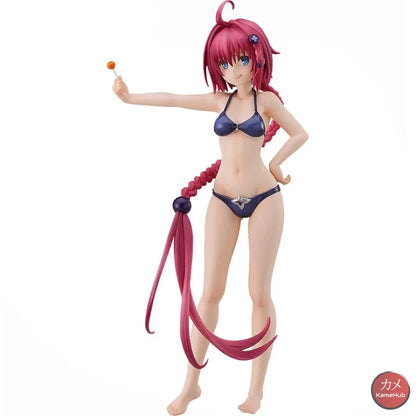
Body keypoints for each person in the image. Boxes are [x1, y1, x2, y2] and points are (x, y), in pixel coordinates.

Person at [112, 1, 308, 414]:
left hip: (265, 198)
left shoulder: (266, 101)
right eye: (223, 63)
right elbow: (172, 99)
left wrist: (275, 164)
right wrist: (130, 98)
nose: (232, 70)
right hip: (222, 199)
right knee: (210, 293)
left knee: (259, 293)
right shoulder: (218, 101)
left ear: (255, 57)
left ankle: (256, 391)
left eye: (240, 60)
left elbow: (299, 133)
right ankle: (191, 385)